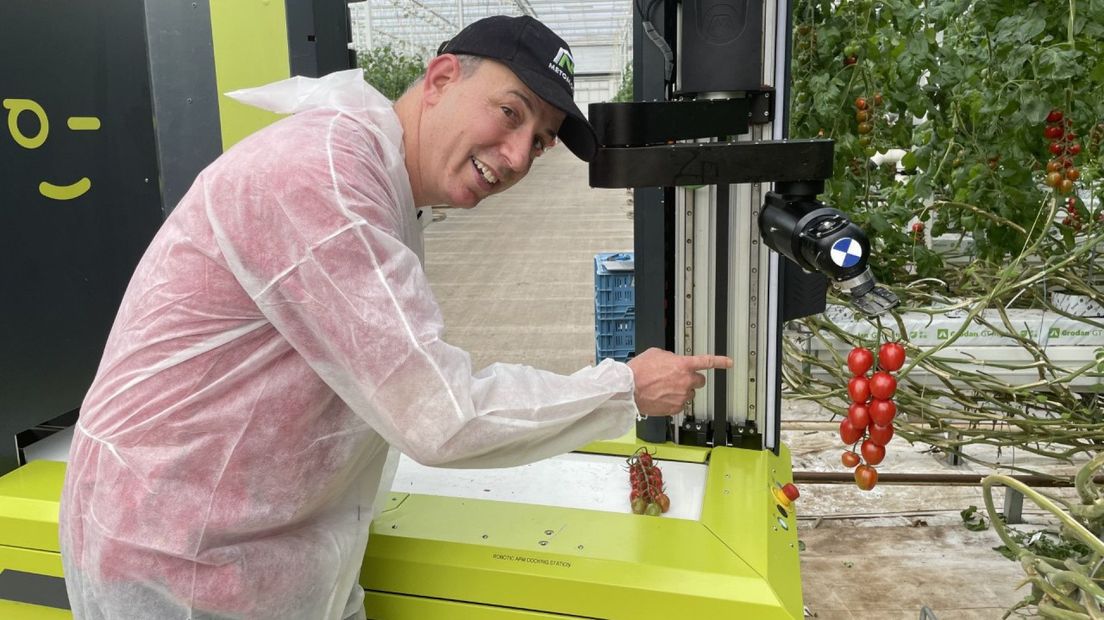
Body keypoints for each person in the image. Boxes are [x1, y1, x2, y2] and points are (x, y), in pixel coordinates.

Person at [59, 15, 731, 620]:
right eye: (510, 113)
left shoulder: (376, 178)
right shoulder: (321, 178)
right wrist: (624, 387)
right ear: (440, 78)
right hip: (182, 565)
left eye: (543, 141)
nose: (520, 155)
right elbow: (440, 416)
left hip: (267, 551)